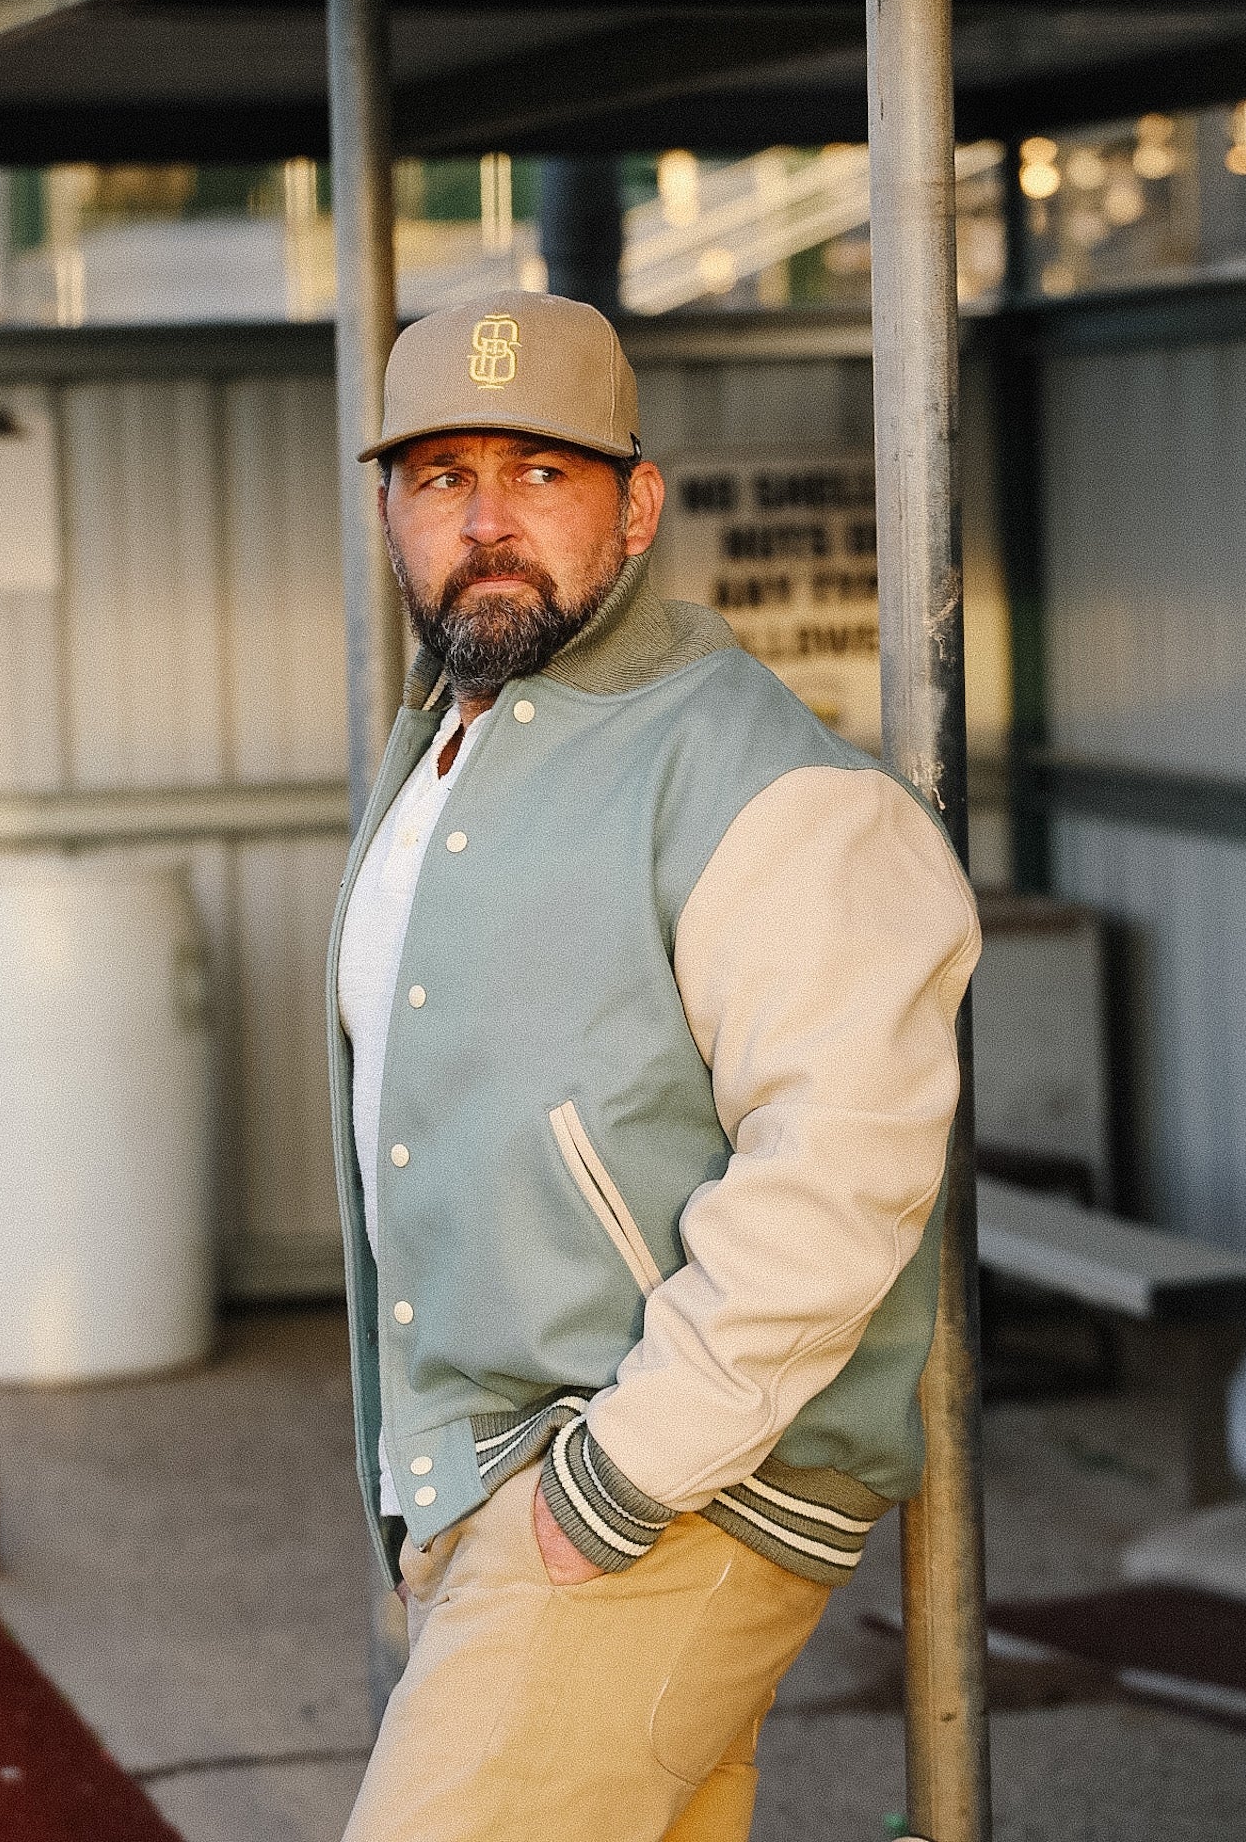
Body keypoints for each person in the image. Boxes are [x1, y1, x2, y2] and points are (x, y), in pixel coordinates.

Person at [328, 291, 981, 1842]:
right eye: (441, 478)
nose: (485, 522)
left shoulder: (764, 782)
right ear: (389, 512)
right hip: (489, 1473)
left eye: (539, 475)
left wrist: (614, 1479)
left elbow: (843, 1169)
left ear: (634, 508)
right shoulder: (443, 748)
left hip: (655, 1492)